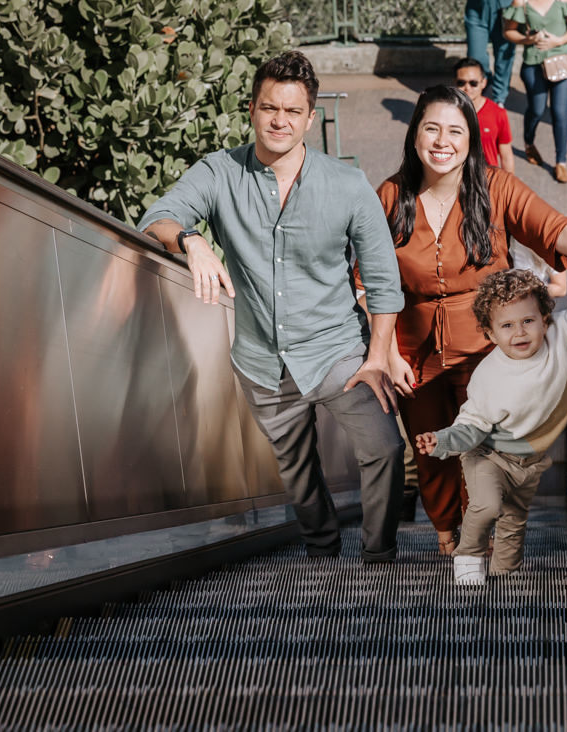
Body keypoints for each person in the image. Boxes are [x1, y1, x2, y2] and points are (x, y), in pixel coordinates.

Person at [139, 51, 405, 562]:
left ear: (311, 117)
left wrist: (378, 357)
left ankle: (378, 556)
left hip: (338, 351)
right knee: (298, 471)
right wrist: (192, 241)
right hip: (261, 359)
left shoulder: (348, 186)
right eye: (268, 108)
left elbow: (383, 281)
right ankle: (323, 554)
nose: (279, 120)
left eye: (291, 111)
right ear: (252, 109)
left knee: (386, 448)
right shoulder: (220, 172)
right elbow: (160, 216)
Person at [369, 85, 567, 555]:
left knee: (485, 448)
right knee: (432, 450)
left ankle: (480, 543)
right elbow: (369, 281)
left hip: (488, 352)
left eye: (455, 131)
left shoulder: (497, 186)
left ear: (470, 140)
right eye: (432, 129)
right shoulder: (391, 194)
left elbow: (555, 229)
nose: (443, 141)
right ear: (415, 134)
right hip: (413, 352)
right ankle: (446, 536)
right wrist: (385, 353)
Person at [415, 226, 567, 584]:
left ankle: (505, 583)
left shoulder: (564, 336)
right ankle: (468, 556)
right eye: (506, 326)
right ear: (490, 335)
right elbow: (471, 426)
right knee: (488, 505)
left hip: (530, 460)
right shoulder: (489, 376)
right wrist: (442, 441)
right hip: (487, 454)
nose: (519, 333)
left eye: (528, 321)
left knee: (512, 521)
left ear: (545, 320)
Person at [503, 0, 567, 183]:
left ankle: (561, 162)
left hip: (561, 62)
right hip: (534, 64)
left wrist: (559, 40)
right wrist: (528, 39)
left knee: (559, 112)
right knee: (537, 109)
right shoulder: (521, 2)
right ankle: (529, 143)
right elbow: (508, 31)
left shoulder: (564, 1)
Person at [453, 57, 515, 173]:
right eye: (461, 83)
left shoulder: (498, 113)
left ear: (483, 83)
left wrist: (509, 185)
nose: (467, 88)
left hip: (487, 179)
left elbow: (506, 154)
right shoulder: (448, 112)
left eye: (473, 83)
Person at [464, 0, 516, 107]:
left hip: (505, 7)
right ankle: (484, 82)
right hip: (476, 8)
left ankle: (499, 97)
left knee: (504, 56)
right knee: (476, 57)